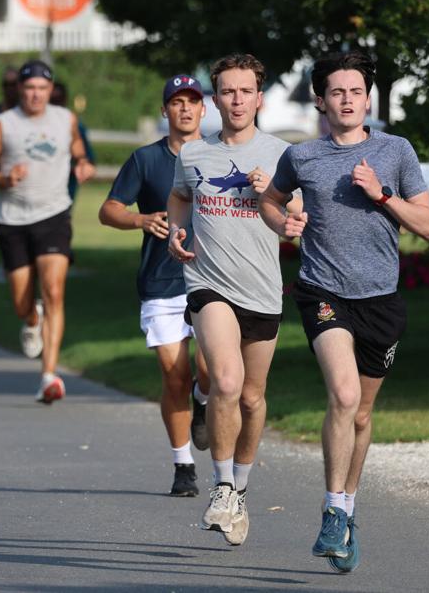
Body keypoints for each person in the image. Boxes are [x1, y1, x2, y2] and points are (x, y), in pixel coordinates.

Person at [259, 50, 429, 571]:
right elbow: (272, 200)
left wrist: (382, 195)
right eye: (337, 92)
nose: (347, 100)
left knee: (361, 413)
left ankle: (349, 504)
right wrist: (281, 224)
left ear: (367, 97)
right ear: (321, 99)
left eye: (356, 91)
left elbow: (426, 224)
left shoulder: (395, 150)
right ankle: (333, 510)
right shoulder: (302, 157)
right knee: (343, 394)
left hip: (380, 299)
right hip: (322, 292)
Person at [166, 53, 301, 546]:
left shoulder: (285, 154)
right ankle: (222, 486)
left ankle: (240, 489)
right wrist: (176, 231)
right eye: (228, 91)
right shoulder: (194, 154)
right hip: (207, 283)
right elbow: (180, 196)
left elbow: (293, 226)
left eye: (246, 91)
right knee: (225, 380)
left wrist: (277, 197)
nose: (237, 99)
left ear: (259, 98)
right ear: (215, 98)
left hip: (262, 290)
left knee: (251, 396)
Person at [98, 74, 214, 497]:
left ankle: (203, 401)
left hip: (210, 277)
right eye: (176, 102)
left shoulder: (218, 155)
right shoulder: (145, 160)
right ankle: (183, 465)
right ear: (165, 110)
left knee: (209, 371)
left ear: (204, 109)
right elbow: (108, 209)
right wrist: (139, 220)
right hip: (161, 281)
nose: (184, 109)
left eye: (192, 102)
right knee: (174, 375)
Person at [0, 59, 96, 404]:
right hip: (13, 219)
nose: (35, 95)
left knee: (54, 291)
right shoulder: (3, 124)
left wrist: (83, 163)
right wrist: (4, 178)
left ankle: (49, 375)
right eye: (29, 88)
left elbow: (77, 149)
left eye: (42, 89)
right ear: (20, 90)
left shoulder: (65, 119)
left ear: (50, 90)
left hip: (54, 215)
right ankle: (32, 320)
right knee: (21, 302)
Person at [51, 81, 96, 200]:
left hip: (65, 189)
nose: (55, 106)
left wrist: (82, 166)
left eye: (58, 100)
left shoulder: (74, 125)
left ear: (64, 100)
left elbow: (88, 159)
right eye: (52, 100)